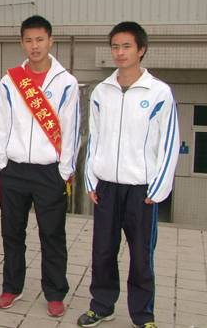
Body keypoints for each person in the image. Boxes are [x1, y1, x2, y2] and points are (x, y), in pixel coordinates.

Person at [77, 22, 180, 328]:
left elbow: (169, 143)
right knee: (103, 251)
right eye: (115, 47)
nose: (119, 53)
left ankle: (143, 316)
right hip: (107, 186)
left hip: (141, 190)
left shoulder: (159, 92)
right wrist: (91, 179)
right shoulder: (102, 91)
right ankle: (101, 306)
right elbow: (94, 138)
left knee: (141, 256)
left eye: (126, 46)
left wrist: (158, 189)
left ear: (141, 50)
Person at [0, 15, 80, 316]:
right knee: (11, 233)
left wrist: (64, 170)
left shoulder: (66, 82)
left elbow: (71, 129)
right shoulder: (10, 80)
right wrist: (2, 162)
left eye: (40, 39)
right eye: (29, 40)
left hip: (49, 171)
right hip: (14, 170)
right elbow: (1, 123)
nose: (35, 46)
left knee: (52, 235)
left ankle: (55, 293)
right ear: (22, 43)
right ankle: (12, 287)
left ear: (50, 41)